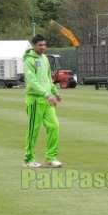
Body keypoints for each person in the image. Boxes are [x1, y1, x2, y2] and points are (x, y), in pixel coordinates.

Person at [23, 34, 62, 168]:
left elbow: (48, 78)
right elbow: (32, 81)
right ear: (34, 45)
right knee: (33, 129)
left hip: (47, 99)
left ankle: (50, 157)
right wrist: (47, 94)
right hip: (35, 99)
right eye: (40, 45)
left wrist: (55, 92)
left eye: (44, 45)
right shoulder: (29, 60)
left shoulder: (45, 58)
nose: (43, 47)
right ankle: (28, 159)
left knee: (54, 126)